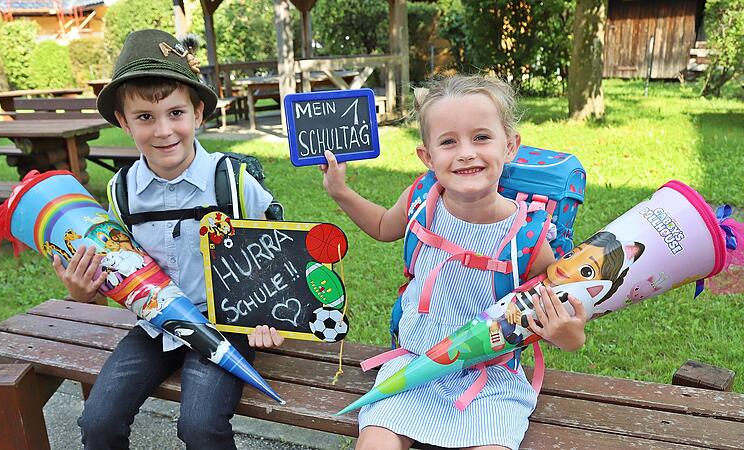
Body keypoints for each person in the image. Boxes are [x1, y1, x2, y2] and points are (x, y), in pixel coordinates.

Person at [319, 75, 588, 450]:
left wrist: (570, 334)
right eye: (448, 142)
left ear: (510, 146)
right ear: (427, 157)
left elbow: (557, 309)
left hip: (489, 379)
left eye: (481, 137)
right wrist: (341, 191)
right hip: (413, 368)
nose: (465, 152)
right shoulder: (421, 202)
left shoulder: (526, 236)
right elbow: (382, 225)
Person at [51, 29, 284, 450]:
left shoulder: (234, 182)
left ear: (198, 112)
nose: (163, 131)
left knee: (199, 427)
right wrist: (83, 290)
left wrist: (273, 320)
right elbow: (120, 270)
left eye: (175, 113)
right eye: (144, 117)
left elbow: (279, 262)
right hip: (156, 326)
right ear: (123, 122)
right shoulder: (121, 193)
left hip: (225, 327)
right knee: (97, 422)